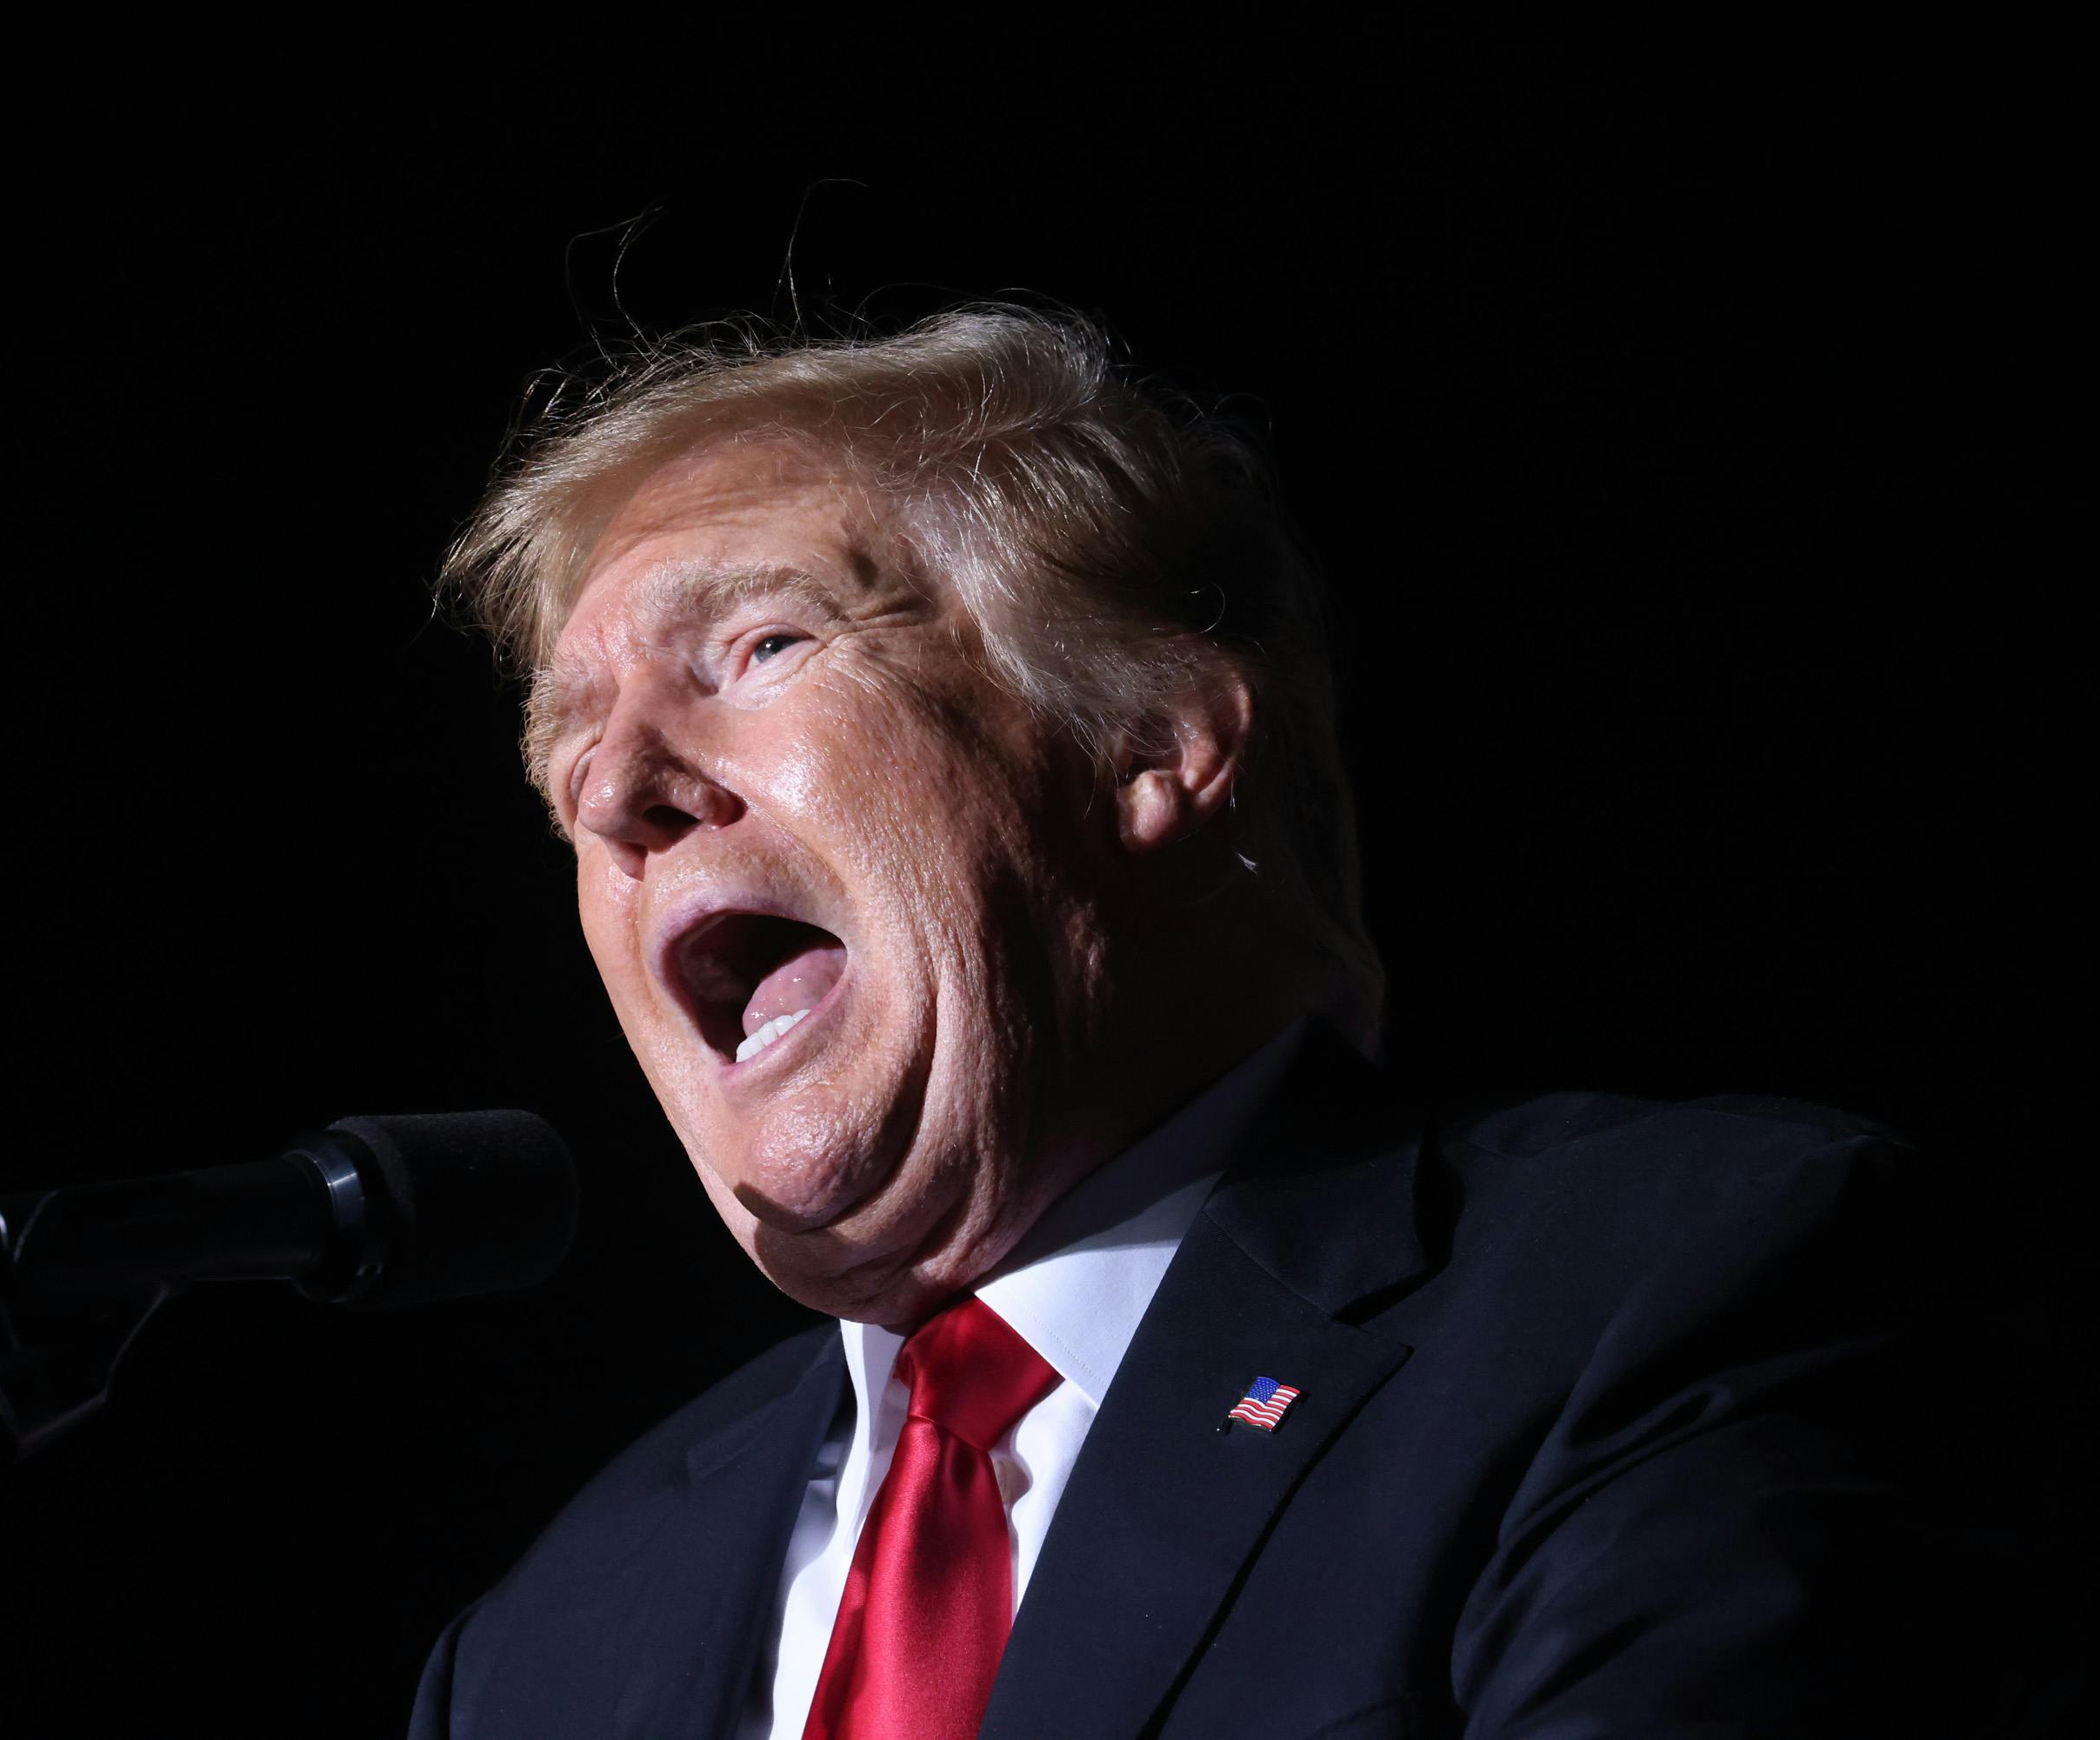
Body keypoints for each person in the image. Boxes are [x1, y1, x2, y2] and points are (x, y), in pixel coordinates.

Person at [408, 309, 2007, 1738]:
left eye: (762, 645)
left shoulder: (1672, 1294)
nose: (616, 794)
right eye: (566, 768)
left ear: (1152, 747)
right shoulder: (543, 1645)